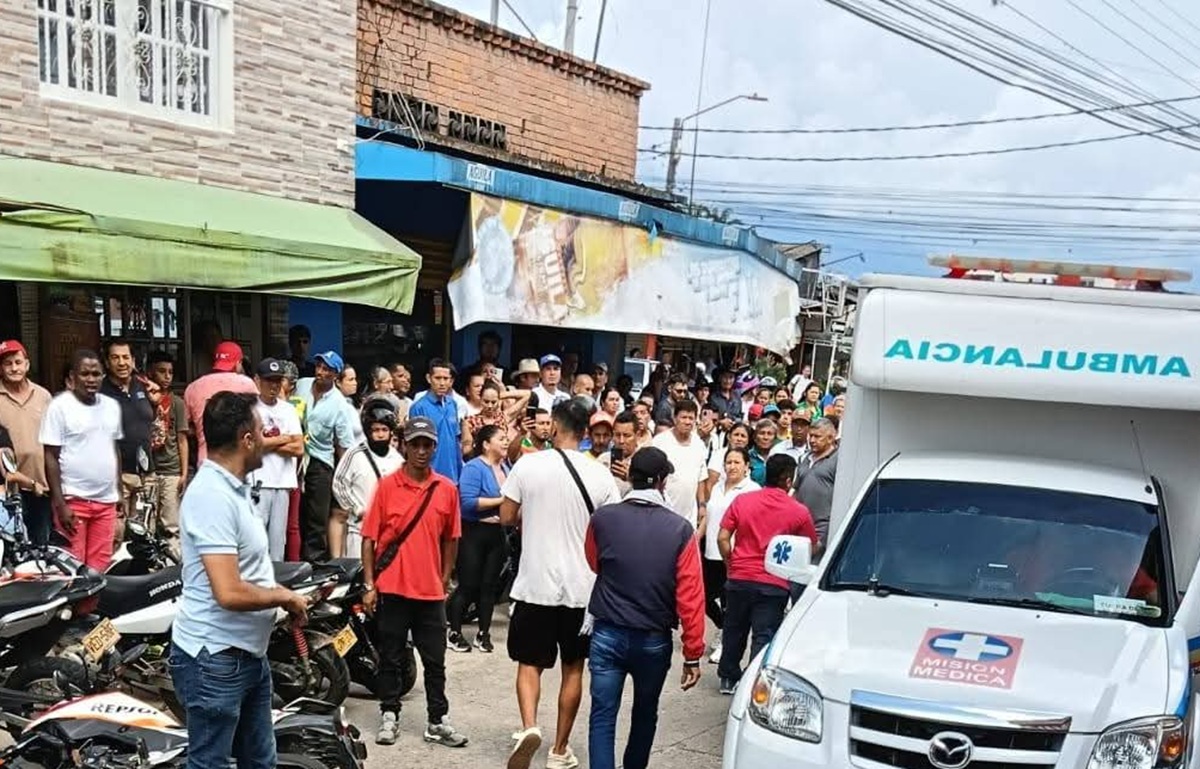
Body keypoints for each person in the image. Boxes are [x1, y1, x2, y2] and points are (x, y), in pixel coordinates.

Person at [170, 391, 310, 769]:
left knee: (260, 761)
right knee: (210, 763)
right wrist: (284, 597)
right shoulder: (212, 495)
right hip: (214, 657)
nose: (269, 440)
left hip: (246, 654)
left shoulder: (234, 488)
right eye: (263, 432)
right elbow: (228, 592)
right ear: (247, 440)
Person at [500, 399, 620, 769]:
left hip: (534, 583)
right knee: (573, 667)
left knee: (529, 664)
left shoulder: (528, 464)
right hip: (581, 589)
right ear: (586, 432)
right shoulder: (601, 475)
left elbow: (506, 516)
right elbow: (610, 528)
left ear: (553, 426)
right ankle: (559, 749)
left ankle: (529, 727)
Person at [584, 447, 705, 769]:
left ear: (629, 475)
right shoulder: (681, 530)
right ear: (663, 481)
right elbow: (691, 595)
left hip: (607, 632)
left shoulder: (603, 518)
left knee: (602, 716)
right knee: (645, 713)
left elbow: (595, 562)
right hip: (653, 638)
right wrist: (693, 652)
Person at [361, 416, 468, 749]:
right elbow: (369, 539)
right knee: (391, 656)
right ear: (403, 445)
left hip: (430, 590)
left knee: (435, 660)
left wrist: (445, 576)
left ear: (435, 447)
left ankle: (438, 720)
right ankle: (389, 714)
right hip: (392, 586)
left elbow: (452, 538)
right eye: (415, 444)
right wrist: (369, 584)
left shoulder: (446, 489)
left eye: (427, 445)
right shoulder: (387, 486)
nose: (421, 451)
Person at [717, 455, 817, 694]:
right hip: (774, 583)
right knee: (764, 635)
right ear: (788, 479)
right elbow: (810, 547)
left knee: (733, 630)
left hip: (740, 578)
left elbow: (722, 537)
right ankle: (751, 683)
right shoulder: (799, 512)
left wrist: (731, 563)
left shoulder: (743, 501)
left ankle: (728, 678)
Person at [40, 350, 124, 571]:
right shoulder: (58, 407)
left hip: (106, 503)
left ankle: (91, 608)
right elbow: (50, 456)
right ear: (71, 378)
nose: (91, 379)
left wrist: (119, 491)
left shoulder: (111, 407)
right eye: (85, 374)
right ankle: (73, 608)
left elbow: (113, 449)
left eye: (96, 374)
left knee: (99, 569)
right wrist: (60, 504)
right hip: (73, 502)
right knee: (73, 569)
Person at [446, 424, 510, 653]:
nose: (505, 442)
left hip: (497, 533)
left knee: (489, 587)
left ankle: (483, 633)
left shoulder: (505, 467)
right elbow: (467, 503)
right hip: (474, 532)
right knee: (469, 585)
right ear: (486, 444)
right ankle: (454, 631)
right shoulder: (474, 467)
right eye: (501, 438)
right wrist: (502, 501)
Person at [702, 447, 759, 665]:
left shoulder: (752, 490)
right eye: (729, 462)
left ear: (746, 466)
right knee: (705, 598)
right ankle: (723, 628)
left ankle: (726, 644)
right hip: (711, 552)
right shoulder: (717, 487)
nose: (732, 466)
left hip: (734, 554)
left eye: (737, 462)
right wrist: (697, 536)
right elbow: (708, 516)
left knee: (729, 601)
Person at [297, 351, 355, 562]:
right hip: (294, 457)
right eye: (319, 366)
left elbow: (344, 445)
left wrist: (343, 478)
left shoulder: (339, 404)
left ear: (336, 376)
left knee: (317, 517)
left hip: (320, 462)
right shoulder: (302, 384)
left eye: (327, 369)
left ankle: (315, 563)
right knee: (296, 515)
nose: (320, 372)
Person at [332, 400, 404, 565]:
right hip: (359, 530)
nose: (380, 434)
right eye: (376, 430)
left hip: (388, 533)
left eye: (384, 430)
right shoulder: (354, 454)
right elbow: (339, 484)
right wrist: (357, 509)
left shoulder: (398, 460)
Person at [247, 359, 305, 561]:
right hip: (258, 482)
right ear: (257, 380)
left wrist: (268, 442)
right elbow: (253, 445)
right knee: (256, 541)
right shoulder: (250, 408)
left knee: (277, 544)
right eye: (268, 380)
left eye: (277, 381)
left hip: (283, 482)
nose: (274, 385)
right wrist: (283, 439)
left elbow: (299, 448)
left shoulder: (288, 409)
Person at [0, 340, 52, 544]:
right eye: (7, 363)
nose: (14, 368)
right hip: (7, 489)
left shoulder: (43, 396)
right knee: (12, 548)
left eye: (18, 362)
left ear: (27, 365)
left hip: (40, 486)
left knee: (41, 547)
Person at [100, 339, 155, 520]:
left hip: (146, 474)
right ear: (107, 363)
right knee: (117, 534)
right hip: (117, 477)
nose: (122, 363)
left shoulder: (143, 386)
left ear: (133, 361)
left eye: (126, 357)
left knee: (146, 534)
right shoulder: (100, 391)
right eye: (115, 358)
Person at [184, 341, 257, 464]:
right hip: (238, 462)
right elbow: (259, 417)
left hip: (206, 459)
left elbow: (187, 429)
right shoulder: (246, 384)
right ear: (238, 363)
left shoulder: (193, 387)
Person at [144, 352, 190, 539]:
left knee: (171, 522)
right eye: (161, 371)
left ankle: (172, 562)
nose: (167, 376)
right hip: (148, 468)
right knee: (147, 522)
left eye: (170, 372)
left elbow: (182, 439)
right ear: (150, 373)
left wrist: (184, 472)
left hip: (171, 468)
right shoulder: (143, 400)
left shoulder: (177, 403)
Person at [652, 400, 709, 531]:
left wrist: (702, 505)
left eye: (691, 418)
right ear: (675, 418)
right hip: (663, 512)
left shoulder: (698, 444)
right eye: (684, 417)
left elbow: (701, 478)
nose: (688, 422)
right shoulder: (660, 442)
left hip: (689, 515)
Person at [408, 359, 464, 482]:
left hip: (453, 475)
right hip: (428, 476)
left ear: (451, 381)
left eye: (446, 378)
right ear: (429, 378)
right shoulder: (419, 407)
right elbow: (414, 446)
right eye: (438, 378)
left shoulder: (452, 404)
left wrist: (460, 471)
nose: (442, 383)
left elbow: (456, 441)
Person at [793, 418, 840, 556]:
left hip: (824, 526)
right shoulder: (804, 458)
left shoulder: (839, 460)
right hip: (800, 525)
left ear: (830, 438)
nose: (812, 440)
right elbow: (796, 490)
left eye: (817, 436)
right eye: (810, 436)